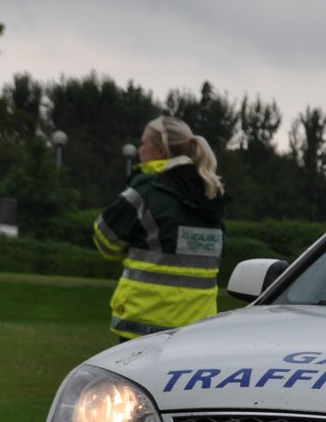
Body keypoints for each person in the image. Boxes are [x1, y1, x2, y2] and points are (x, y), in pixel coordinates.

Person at [93, 115, 227, 340]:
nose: (139, 149)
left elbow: (104, 238)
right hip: (197, 328)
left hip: (144, 323)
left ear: (162, 151)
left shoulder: (147, 188)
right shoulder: (210, 191)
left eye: (144, 143)